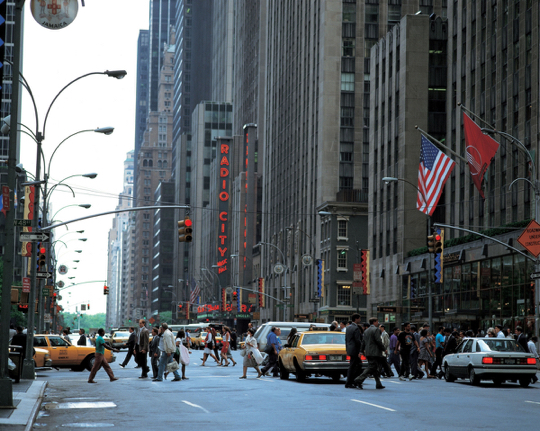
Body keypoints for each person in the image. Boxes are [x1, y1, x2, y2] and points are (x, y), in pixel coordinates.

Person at [353, 317, 385, 390]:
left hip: (368, 352)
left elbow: (363, 342)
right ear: (374, 322)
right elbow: (378, 340)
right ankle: (359, 379)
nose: (378, 323)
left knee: (374, 367)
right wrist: (383, 349)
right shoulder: (376, 330)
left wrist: (361, 351)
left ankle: (378, 383)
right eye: (377, 321)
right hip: (375, 352)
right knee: (372, 367)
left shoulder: (366, 331)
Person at [345, 313, 364, 389]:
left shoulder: (348, 327)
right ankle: (351, 381)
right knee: (356, 366)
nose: (360, 320)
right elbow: (357, 340)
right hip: (355, 349)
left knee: (354, 365)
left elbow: (347, 339)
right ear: (356, 319)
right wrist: (361, 350)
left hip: (350, 349)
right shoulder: (356, 328)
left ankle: (352, 381)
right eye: (359, 318)